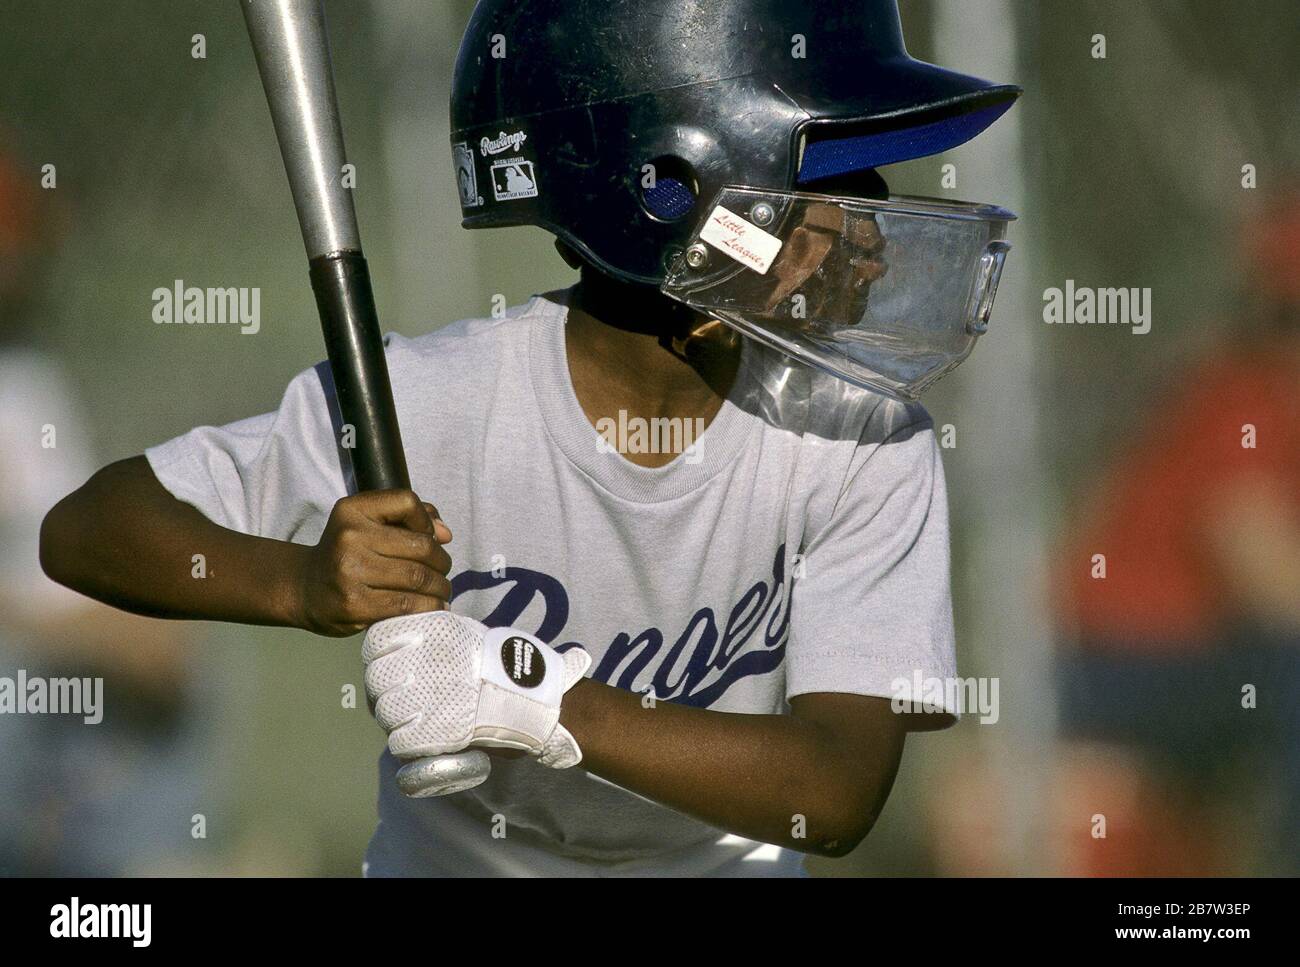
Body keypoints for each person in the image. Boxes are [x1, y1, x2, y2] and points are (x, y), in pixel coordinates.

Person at [40, 0, 1020, 876]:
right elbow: (86, 529)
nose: (874, 226)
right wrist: (299, 585)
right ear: (663, 185)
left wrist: (524, 695)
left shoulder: (863, 439)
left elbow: (836, 790)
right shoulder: (428, 404)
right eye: (829, 176)